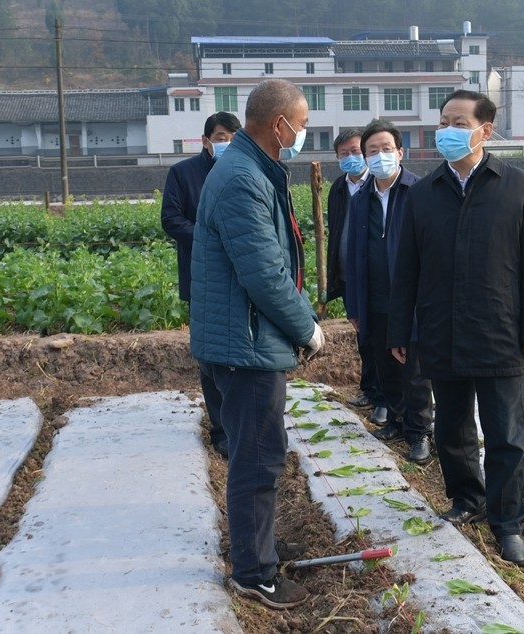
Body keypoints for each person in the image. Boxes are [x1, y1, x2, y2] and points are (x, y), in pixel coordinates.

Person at [387, 90, 524, 564]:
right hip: (442, 330)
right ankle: (466, 498)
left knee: (506, 435)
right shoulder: (424, 194)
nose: (448, 131)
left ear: (486, 130)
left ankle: (508, 522)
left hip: (500, 330)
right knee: (452, 428)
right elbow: (407, 269)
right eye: (443, 122)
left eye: (459, 122)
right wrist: (399, 330)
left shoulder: (517, 186)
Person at [190, 79, 325, 610]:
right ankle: (254, 572)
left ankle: (258, 544)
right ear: (279, 124)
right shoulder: (243, 178)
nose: (303, 133)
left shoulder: (254, 169)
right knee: (258, 458)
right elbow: (265, 275)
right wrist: (306, 329)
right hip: (245, 347)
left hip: (242, 340)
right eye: (302, 124)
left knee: (258, 453)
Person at [344, 120, 434, 463]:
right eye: (373, 150)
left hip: (411, 300)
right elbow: (354, 255)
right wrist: (354, 305)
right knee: (385, 365)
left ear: (400, 152)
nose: (380, 155)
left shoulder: (419, 192)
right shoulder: (360, 199)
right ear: (366, 157)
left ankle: (420, 431)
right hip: (375, 297)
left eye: (386, 149)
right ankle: (396, 421)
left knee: (414, 370)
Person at [161, 111, 241, 458]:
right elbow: (171, 219)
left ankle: (242, 424)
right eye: (221, 137)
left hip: (242, 277)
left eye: (234, 138)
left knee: (241, 353)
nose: (228, 144)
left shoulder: (244, 171)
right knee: (210, 356)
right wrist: (210, 238)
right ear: (206, 140)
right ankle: (221, 429)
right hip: (202, 278)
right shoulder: (184, 173)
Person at [325, 128, 387, 425]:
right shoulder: (338, 188)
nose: (351, 157)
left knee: (381, 337)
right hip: (349, 275)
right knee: (363, 335)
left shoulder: (378, 184)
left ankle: (385, 398)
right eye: (344, 153)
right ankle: (369, 389)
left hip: (375, 275)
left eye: (356, 151)